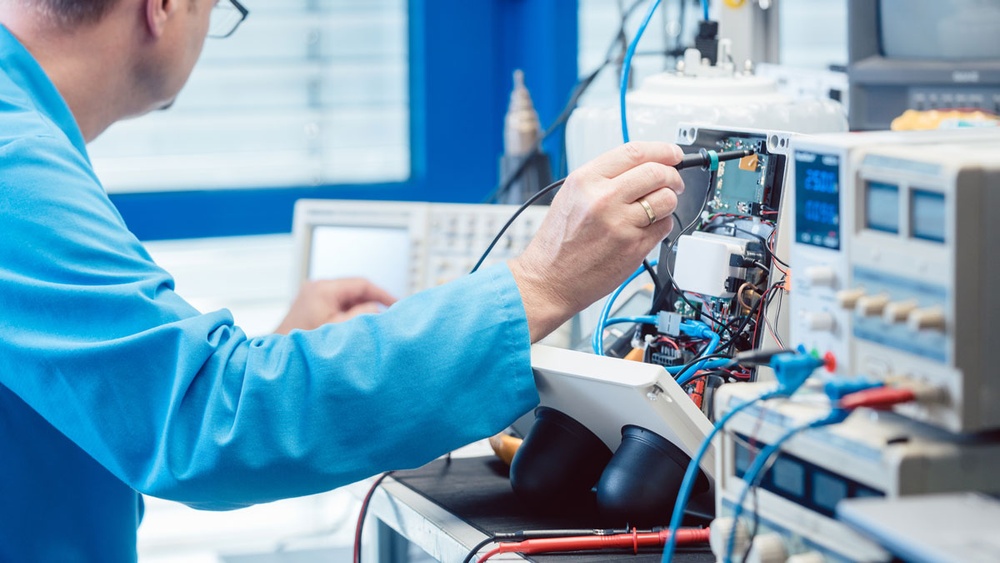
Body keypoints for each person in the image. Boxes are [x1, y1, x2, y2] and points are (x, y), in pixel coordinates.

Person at [0, 0, 687, 560]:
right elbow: (206, 420)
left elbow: (103, 399)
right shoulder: (14, 162)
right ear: (164, 6)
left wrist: (280, 349)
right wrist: (540, 283)